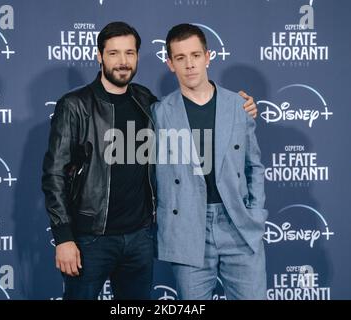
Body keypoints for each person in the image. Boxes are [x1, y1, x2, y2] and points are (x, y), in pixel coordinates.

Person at [42, 21, 258, 300]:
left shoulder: (147, 102)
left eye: (129, 53)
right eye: (113, 53)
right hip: (91, 238)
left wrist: (238, 105)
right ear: (99, 56)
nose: (122, 61)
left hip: (139, 238)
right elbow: (54, 174)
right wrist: (63, 236)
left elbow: (193, 110)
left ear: (137, 57)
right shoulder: (75, 105)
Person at [152, 23, 267, 300]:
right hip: (188, 226)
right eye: (180, 58)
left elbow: (254, 166)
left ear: (208, 56)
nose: (189, 64)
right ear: (170, 63)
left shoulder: (239, 106)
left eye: (195, 55)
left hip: (238, 222)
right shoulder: (159, 113)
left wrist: (256, 212)